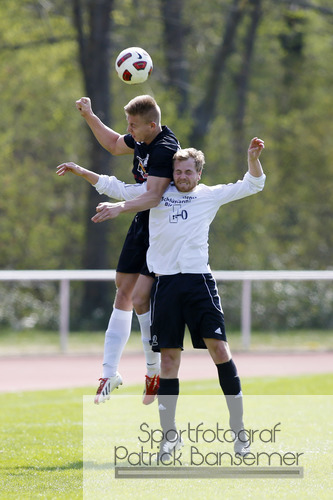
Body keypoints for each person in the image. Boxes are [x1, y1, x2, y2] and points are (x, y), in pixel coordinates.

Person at [57, 137, 265, 459]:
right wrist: (82, 171)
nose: (181, 177)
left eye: (187, 172)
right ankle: (170, 438)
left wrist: (252, 158)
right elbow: (116, 187)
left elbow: (253, 184)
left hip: (199, 285)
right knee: (168, 361)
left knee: (220, 351)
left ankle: (240, 435)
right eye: (177, 172)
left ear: (198, 173)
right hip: (166, 287)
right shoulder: (155, 196)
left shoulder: (209, 196)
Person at [73, 95, 180, 404]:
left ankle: (153, 371)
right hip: (142, 218)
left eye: (133, 125)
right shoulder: (142, 138)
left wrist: (118, 207)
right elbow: (114, 145)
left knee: (141, 298)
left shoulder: (164, 148)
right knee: (123, 290)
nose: (128, 130)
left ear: (152, 125)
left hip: (164, 225)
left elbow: (154, 196)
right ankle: (110, 373)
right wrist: (90, 116)